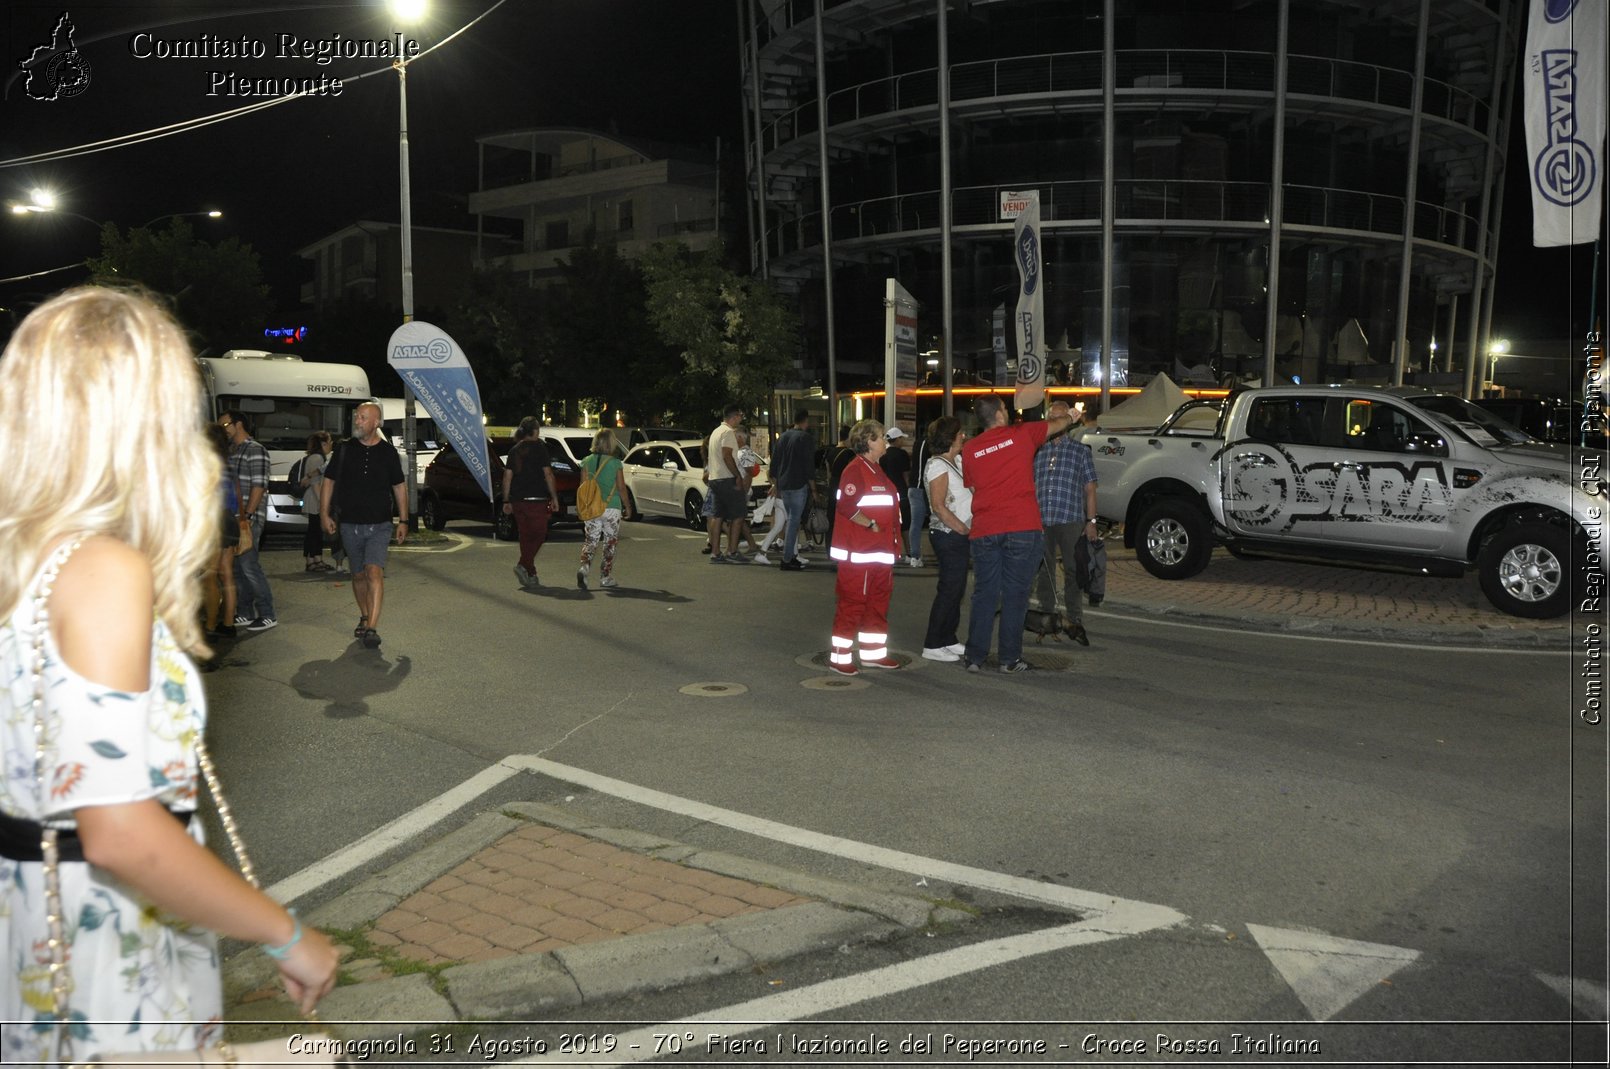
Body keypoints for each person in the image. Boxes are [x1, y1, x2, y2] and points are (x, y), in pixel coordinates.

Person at [0, 287, 339, 1064]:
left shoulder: (23, 559)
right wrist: (285, 934)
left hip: (36, 936)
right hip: (109, 951)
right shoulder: (100, 570)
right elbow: (120, 832)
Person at [961, 395, 1078, 673]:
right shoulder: (1022, 433)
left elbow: (974, 488)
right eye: (1005, 408)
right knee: (1016, 595)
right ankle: (1008, 659)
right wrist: (1072, 416)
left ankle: (975, 658)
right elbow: (1056, 424)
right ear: (1000, 414)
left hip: (985, 529)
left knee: (985, 594)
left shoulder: (970, 449)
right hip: (1021, 527)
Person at [320, 401, 408, 649]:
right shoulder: (344, 449)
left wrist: (404, 520)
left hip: (379, 525)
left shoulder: (389, 453)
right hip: (349, 524)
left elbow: (399, 487)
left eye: (362, 417)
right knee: (358, 575)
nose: (357, 421)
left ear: (376, 423)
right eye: (357, 416)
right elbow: (328, 481)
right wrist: (323, 514)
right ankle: (364, 614)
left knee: (373, 572)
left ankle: (371, 628)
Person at [827, 419, 903, 676]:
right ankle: (839, 657)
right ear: (869, 441)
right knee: (853, 603)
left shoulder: (875, 468)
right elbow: (847, 506)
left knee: (877, 603)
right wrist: (870, 524)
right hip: (860, 552)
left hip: (880, 551)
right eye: (881, 437)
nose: (885, 441)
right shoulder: (856, 469)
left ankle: (872, 655)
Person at [1033, 400, 1098, 647]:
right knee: (1044, 571)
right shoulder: (1037, 450)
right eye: (1051, 417)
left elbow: (1090, 489)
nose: (1055, 422)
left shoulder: (1080, 451)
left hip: (1070, 520)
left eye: (1059, 417)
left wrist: (1091, 521)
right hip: (1042, 521)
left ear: (1068, 422)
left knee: (1073, 570)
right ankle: (1047, 615)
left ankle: (1074, 618)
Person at [920, 416, 972, 662]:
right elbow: (939, 506)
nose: (964, 436)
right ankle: (933, 644)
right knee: (949, 590)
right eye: (960, 433)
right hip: (948, 534)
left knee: (956, 589)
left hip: (957, 535)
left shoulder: (957, 461)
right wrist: (961, 528)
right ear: (951, 437)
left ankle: (948, 639)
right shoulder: (938, 465)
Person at [222, 409, 277, 632]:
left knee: (249, 565)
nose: (223, 430)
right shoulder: (231, 451)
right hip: (233, 517)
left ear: (239, 425)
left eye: (226, 425)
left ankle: (267, 614)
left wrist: (249, 517)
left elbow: (259, 484)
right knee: (237, 567)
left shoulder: (256, 450)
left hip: (247, 518)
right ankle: (245, 612)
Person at [502, 416, 559, 589]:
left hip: (519, 499)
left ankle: (531, 572)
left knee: (525, 535)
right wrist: (554, 496)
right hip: (537, 499)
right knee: (540, 534)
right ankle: (523, 564)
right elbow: (548, 474)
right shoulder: (540, 448)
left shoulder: (514, 450)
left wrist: (506, 499)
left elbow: (507, 476)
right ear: (534, 431)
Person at [576, 428, 632, 589]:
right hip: (612, 508)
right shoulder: (615, 463)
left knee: (591, 540)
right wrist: (627, 506)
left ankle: (584, 568)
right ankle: (605, 576)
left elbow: (583, 487)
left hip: (592, 506)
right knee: (610, 542)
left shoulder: (586, 461)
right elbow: (621, 487)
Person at [767, 409, 817, 570]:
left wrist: (776, 483)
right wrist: (814, 489)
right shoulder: (805, 438)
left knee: (791, 520)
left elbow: (774, 464)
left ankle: (791, 555)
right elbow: (809, 466)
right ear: (805, 421)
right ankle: (787, 559)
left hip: (784, 484)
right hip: (798, 484)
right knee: (794, 521)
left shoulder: (783, 437)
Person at [202, 423, 239, 642]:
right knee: (227, 575)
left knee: (209, 576)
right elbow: (234, 499)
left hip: (213, 522)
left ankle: (210, 624)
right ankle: (228, 623)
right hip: (229, 520)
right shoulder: (228, 463)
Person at [705, 405, 749, 563]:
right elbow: (727, 455)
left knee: (718, 516)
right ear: (734, 416)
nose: (741, 418)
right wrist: (737, 475)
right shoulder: (729, 432)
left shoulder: (715, 432)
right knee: (738, 515)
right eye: (740, 415)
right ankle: (732, 551)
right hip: (727, 479)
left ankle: (715, 552)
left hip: (715, 478)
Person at [298, 431, 333, 572]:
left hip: (313, 498)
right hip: (315, 498)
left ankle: (313, 560)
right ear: (323, 443)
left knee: (313, 531)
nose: (331, 444)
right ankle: (314, 560)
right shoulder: (317, 458)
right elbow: (315, 483)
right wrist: (323, 502)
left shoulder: (316, 457)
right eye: (329, 441)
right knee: (315, 531)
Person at [879, 426, 914, 562]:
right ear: (897, 439)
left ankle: (890, 551)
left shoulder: (883, 455)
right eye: (901, 438)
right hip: (901, 492)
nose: (902, 441)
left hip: (886, 493)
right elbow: (905, 475)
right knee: (905, 524)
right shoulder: (902, 454)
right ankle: (909, 553)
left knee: (889, 524)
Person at [735, 428, 769, 561]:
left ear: (740, 438)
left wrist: (744, 490)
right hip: (741, 489)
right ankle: (751, 544)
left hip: (743, 490)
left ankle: (747, 545)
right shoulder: (742, 451)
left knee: (737, 518)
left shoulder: (745, 452)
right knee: (739, 519)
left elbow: (749, 474)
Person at [907, 426, 930, 567]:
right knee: (936, 520)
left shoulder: (918, 443)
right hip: (923, 489)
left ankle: (914, 556)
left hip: (913, 487)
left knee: (915, 524)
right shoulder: (931, 445)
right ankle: (915, 556)